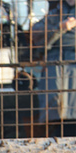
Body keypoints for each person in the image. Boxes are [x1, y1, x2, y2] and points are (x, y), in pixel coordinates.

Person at [31, 0, 76, 128]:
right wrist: (59, 28)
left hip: (71, 64)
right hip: (56, 67)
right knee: (57, 116)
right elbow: (37, 35)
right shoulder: (54, 14)